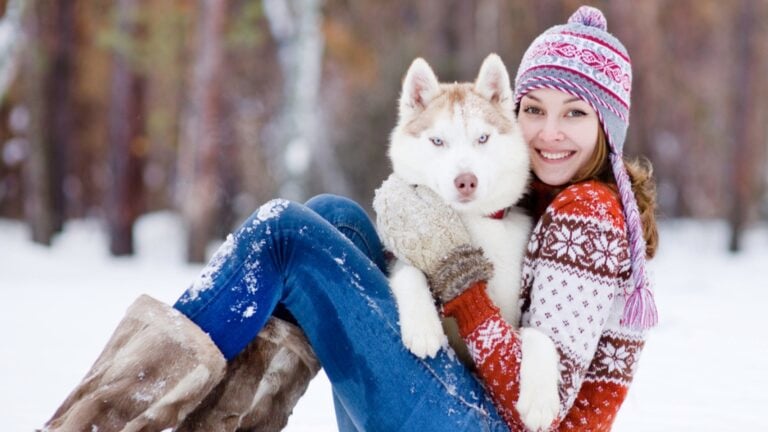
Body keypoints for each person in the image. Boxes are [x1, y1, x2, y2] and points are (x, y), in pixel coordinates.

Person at [41, 5, 657, 432]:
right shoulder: (541, 198)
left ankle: (105, 418)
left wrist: (456, 281)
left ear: (609, 127)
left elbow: (533, 407)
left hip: (484, 420)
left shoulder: (587, 216)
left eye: (575, 114)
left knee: (285, 234)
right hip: (458, 398)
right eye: (535, 109)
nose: (549, 133)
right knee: (334, 217)